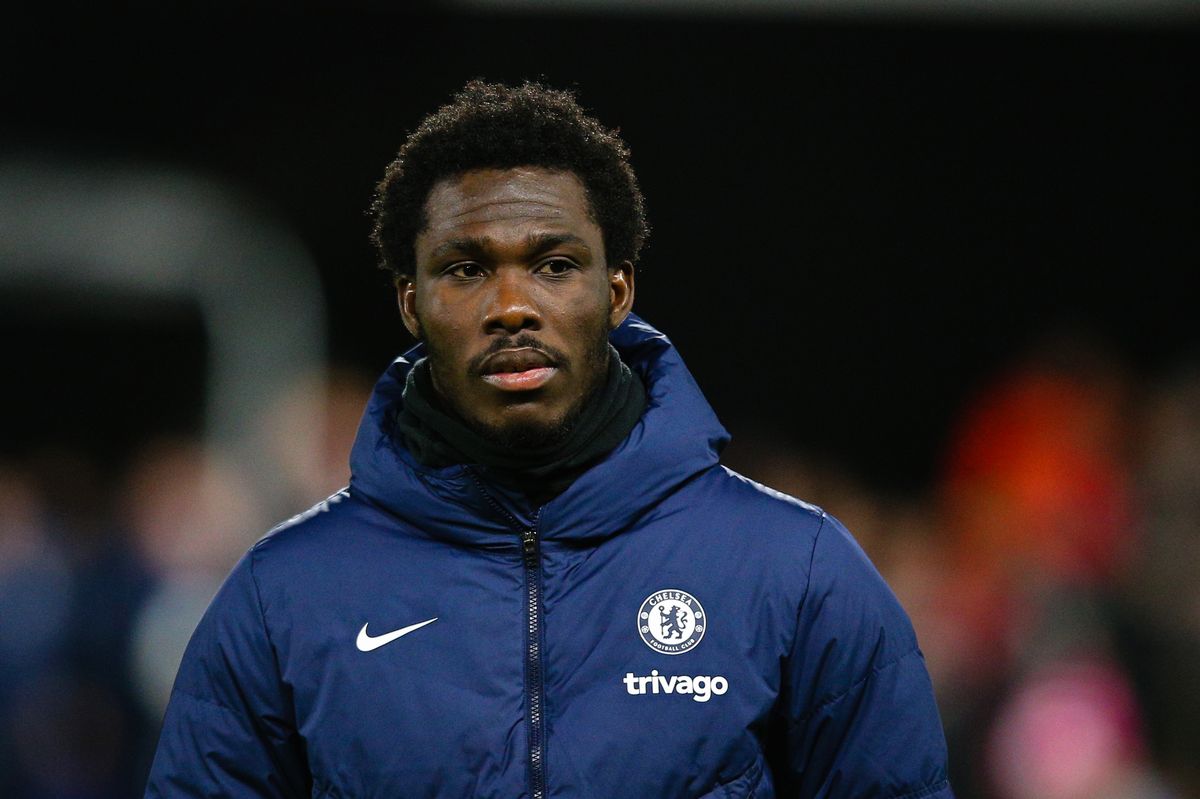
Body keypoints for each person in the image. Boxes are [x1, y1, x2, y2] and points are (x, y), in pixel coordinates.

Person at [145, 80, 953, 798]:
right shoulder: (284, 594)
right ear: (408, 302)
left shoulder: (798, 572)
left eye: (554, 264)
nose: (510, 305)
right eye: (464, 269)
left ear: (617, 290)